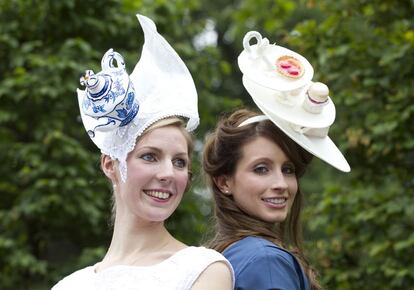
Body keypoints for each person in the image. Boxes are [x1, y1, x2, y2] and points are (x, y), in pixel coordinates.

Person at [52, 14, 233, 290]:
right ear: (110, 164)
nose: (167, 174)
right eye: (150, 156)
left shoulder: (204, 270)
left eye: (180, 162)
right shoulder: (69, 285)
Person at [203, 31, 351, 290]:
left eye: (288, 169)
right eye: (261, 169)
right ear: (224, 181)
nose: (281, 183)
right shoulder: (265, 260)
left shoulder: (220, 259)